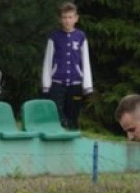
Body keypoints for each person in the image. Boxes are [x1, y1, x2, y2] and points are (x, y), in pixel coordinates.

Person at [40, 1, 92, 130]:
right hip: (57, 82)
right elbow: (48, 61)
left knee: (73, 114)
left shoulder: (80, 37)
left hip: (75, 83)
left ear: (76, 18)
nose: (67, 21)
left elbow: (85, 61)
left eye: (70, 17)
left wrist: (87, 85)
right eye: (64, 18)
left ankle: (73, 135)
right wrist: (46, 85)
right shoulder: (54, 37)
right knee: (57, 112)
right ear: (60, 19)